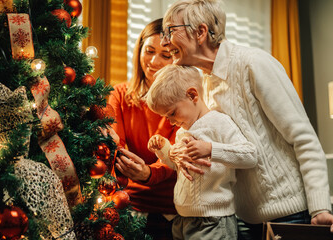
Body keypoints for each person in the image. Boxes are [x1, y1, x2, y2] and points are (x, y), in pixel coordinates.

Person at [160, 0, 333, 239]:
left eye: (170, 30)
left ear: (200, 32)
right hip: (242, 220)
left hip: (292, 215)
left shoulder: (254, 63)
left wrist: (320, 207)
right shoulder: (205, 85)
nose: (163, 41)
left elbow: (303, 138)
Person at [146, 64, 257, 240]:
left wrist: (211, 149)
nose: (171, 122)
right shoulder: (183, 130)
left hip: (213, 221)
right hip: (182, 218)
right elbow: (180, 167)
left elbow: (250, 155)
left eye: (172, 113)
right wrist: (164, 150)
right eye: (166, 117)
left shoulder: (218, 122)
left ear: (192, 95)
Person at [107, 18, 178, 240]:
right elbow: (113, 144)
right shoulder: (119, 94)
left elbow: (176, 155)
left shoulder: (185, 100)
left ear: (177, 59)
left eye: (165, 56)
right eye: (149, 51)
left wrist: (149, 173)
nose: (154, 62)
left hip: (172, 208)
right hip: (129, 203)